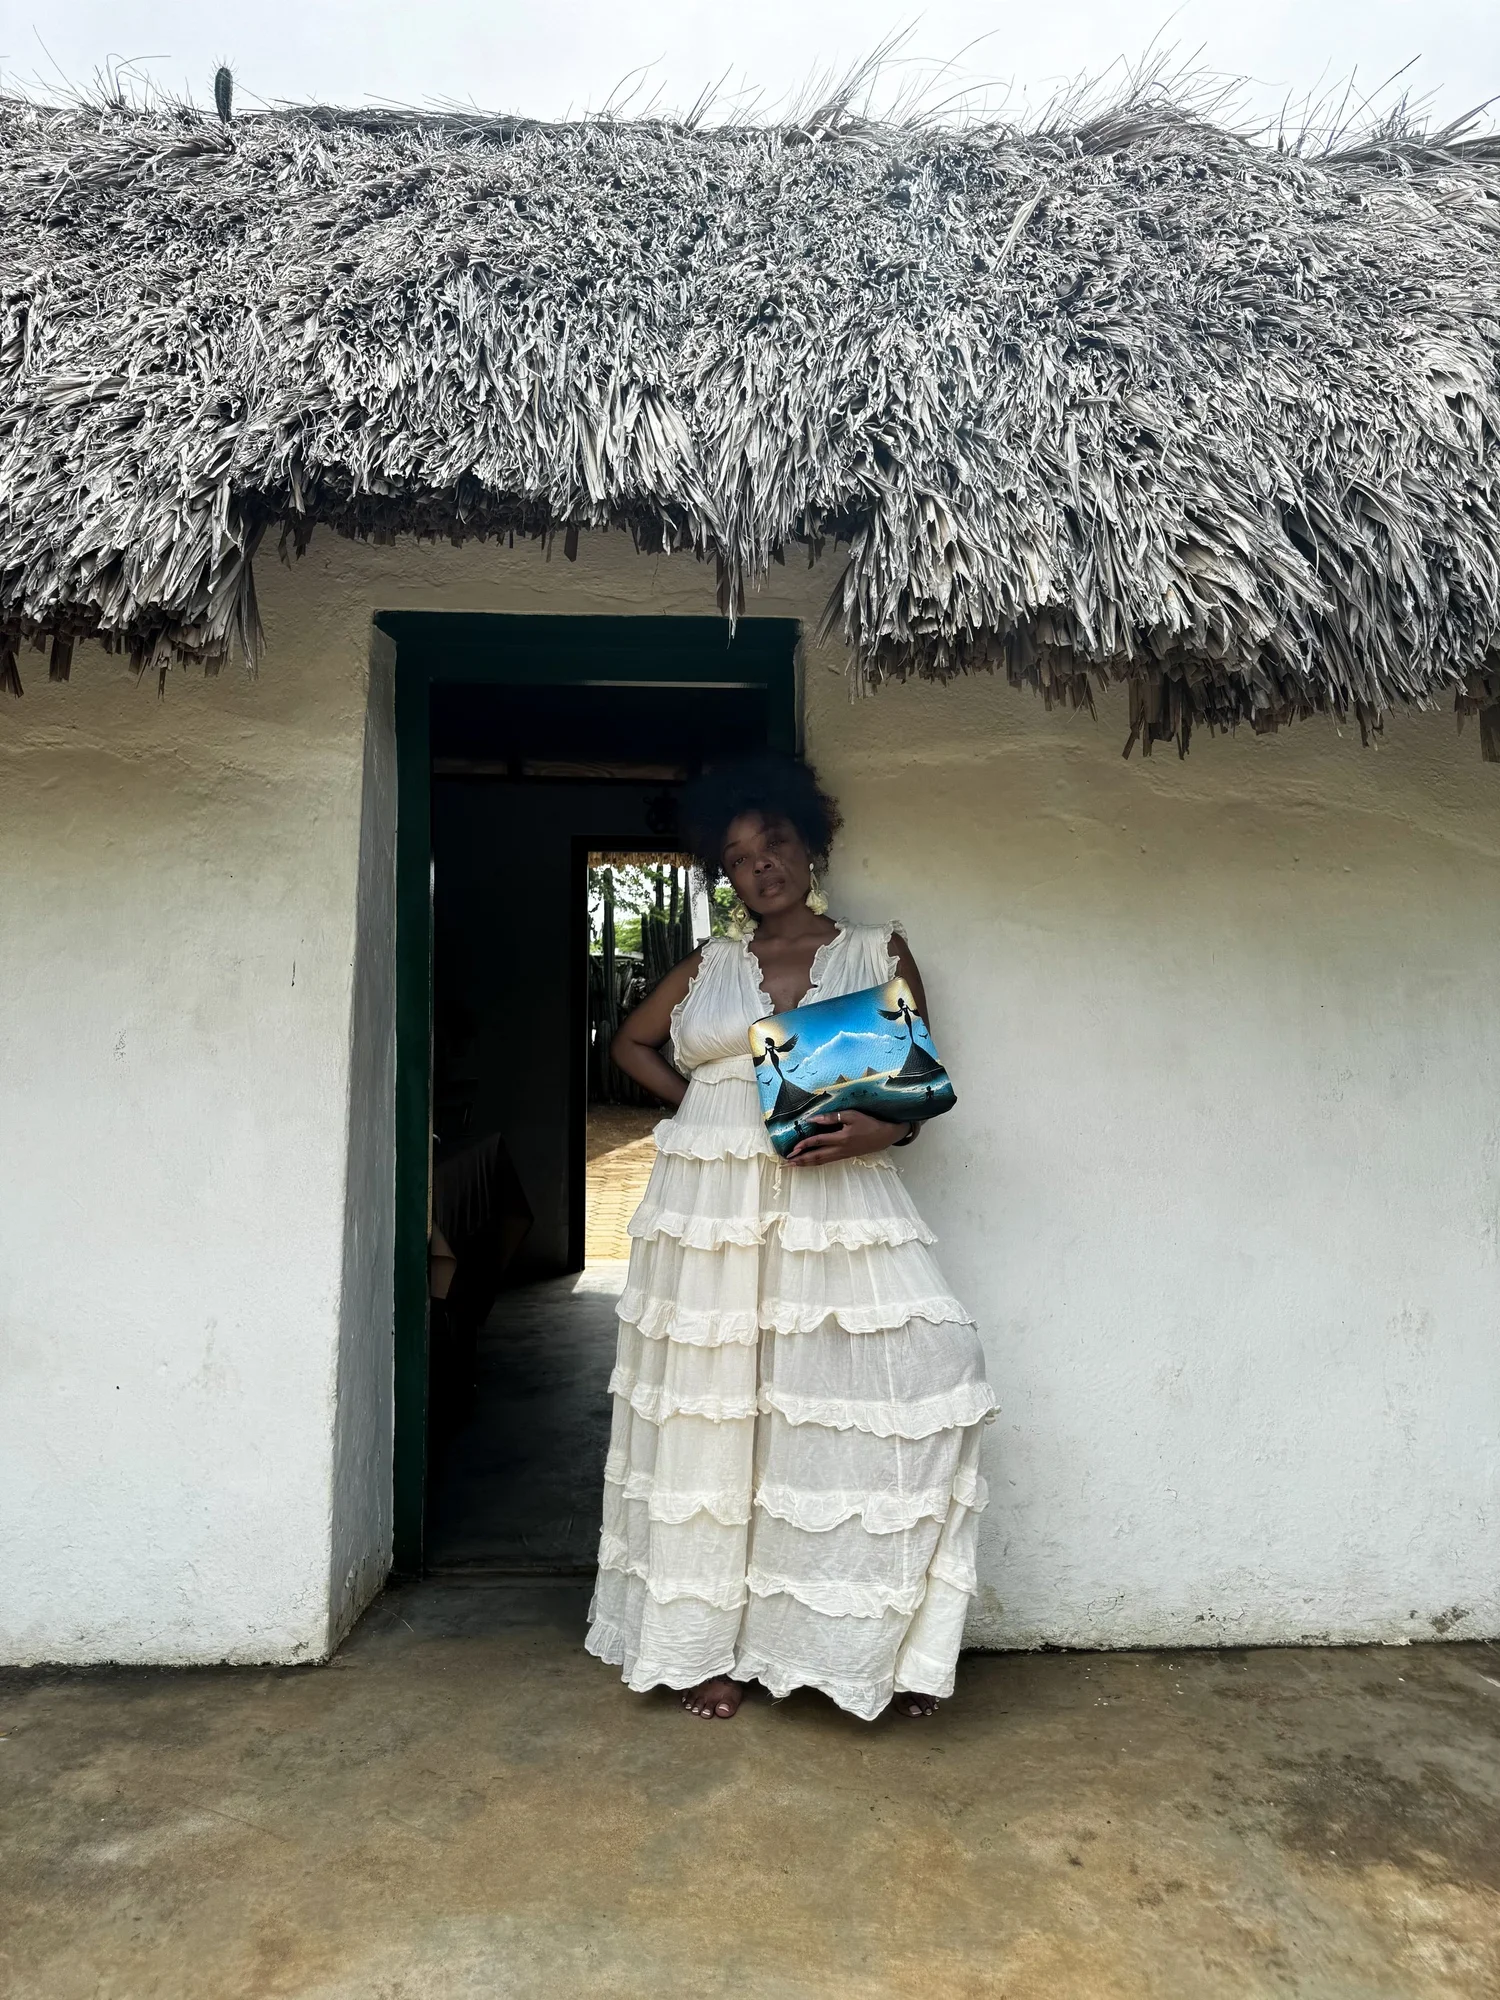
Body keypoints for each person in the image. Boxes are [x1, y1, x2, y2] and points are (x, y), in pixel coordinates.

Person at [585, 754, 996, 1721]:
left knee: (881, 1385)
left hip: (832, 1200)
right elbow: (630, 1044)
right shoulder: (713, 966)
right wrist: (716, 1112)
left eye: (773, 843)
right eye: (736, 856)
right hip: (711, 1212)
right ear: (723, 876)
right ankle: (704, 1650)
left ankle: (866, 1646)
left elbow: (916, 1090)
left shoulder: (873, 948)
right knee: (714, 1411)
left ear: (810, 844)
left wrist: (880, 1126)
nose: (759, 865)